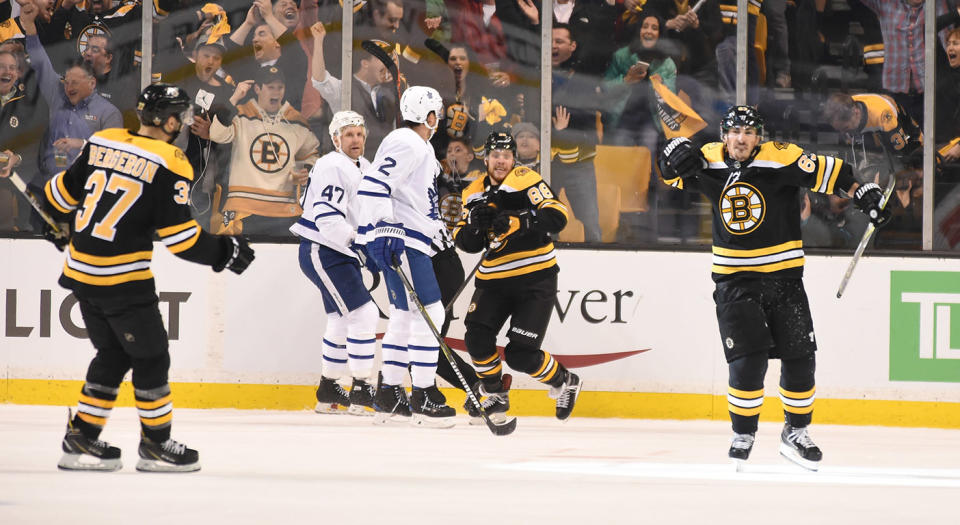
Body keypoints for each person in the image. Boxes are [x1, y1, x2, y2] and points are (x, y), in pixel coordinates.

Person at [658, 105, 891, 470]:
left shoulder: (782, 158)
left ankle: (795, 433)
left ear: (758, 137)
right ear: (724, 134)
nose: (741, 139)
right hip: (735, 280)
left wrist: (866, 193)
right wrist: (669, 154)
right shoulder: (706, 160)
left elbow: (834, 174)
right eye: (734, 132)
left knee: (801, 359)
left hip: (784, 279)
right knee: (747, 362)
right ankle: (743, 433)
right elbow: (670, 174)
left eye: (749, 133)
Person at [39, 83, 255, 472]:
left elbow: (58, 199)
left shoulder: (103, 141)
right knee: (152, 356)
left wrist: (58, 224)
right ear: (169, 120)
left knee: (113, 354)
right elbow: (182, 240)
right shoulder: (171, 160)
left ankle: (81, 439)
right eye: (181, 116)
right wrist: (227, 251)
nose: (184, 123)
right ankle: (156, 445)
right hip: (122, 280)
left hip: (81, 274)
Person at [453, 131, 583, 422]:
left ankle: (564, 381)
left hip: (535, 278)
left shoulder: (526, 179)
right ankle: (496, 394)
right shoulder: (472, 191)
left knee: (520, 355)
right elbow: (465, 241)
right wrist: (475, 227)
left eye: (507, 155)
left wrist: (521, 220)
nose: (501, 161)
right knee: (476, 338)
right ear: (485, 157)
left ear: (514, 158)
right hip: (493, 280)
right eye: (496, 155)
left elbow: (557, 216)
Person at [354, 85, 458, 427]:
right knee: (431, 312)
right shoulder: (408, 142)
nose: (439, 118)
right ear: (429, 115)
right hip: (404, 239)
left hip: (411, 237)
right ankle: (424, 393)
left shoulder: (417, 145)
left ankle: (389, 393)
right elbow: (373, 185)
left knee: (403, 315)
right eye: (437, 112)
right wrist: (385, 226)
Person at [290, 110, 380, 416]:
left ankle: (329, 389)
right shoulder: (332, 165)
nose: (355, 139)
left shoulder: (363, 166)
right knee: (364, 313)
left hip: (337, 251)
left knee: (342, 318)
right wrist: (361, 243)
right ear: (335, 139)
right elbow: (328, 220)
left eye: (359, 134)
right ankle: (362, 387)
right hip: (323, 249)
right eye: (349, 134)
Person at [209, 65, 319, 235]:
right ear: (258, 89)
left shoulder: (297, 122)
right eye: (270, 87)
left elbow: (311, 155)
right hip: (243, 208)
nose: (276, 92)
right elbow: (217, 135)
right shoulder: (240, 115)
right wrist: (235, 98)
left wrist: (304, 171)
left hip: (284, 209)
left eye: (280, 87)